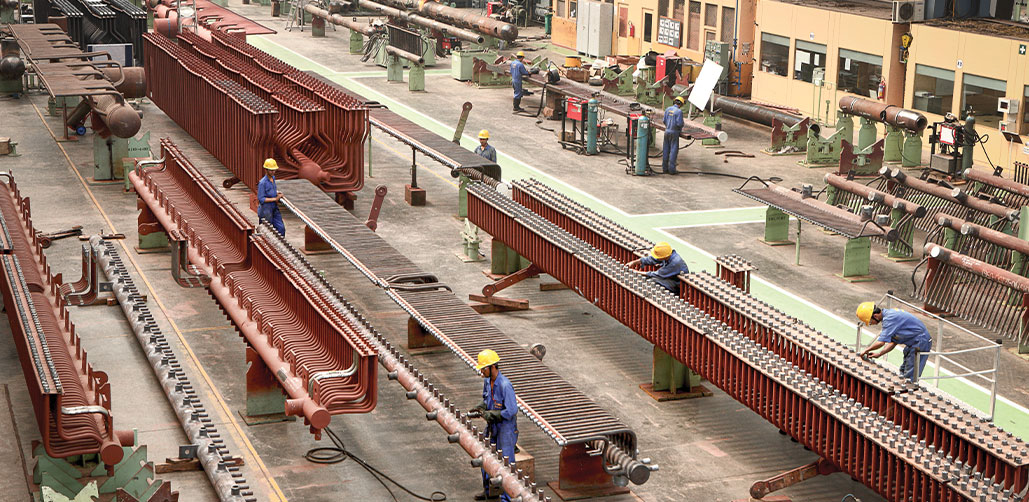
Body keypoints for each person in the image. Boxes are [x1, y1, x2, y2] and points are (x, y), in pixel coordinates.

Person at [471, 349, 518, 501]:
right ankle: (489, 492)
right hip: (493, 425)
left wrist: (494, 414)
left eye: (484, 369)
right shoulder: (487, 381)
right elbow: (487, 400)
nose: (482, 372)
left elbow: (511, 410)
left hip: (506, 428)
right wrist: (480, 407)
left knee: (506, 463)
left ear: (493, 367)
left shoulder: (505, 385)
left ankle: (507, 499)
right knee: (486, 455)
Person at [856, 302, 933, 382]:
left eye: (870, 322)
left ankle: (909, 387)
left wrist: (866, 350)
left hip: (921, 342)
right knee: (903, 370)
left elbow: (881, 343)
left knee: (911, 375)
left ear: (875, 316)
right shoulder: (889, 315)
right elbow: (893, 342)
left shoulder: (889, 319)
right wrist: (879, 354)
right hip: (914, 342)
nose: (871, 324)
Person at [257, 158, 285, 236]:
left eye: (274, 170)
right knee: (266, 231)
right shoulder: (262, 183)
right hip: (266, 210)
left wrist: (276, 193)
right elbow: (261, 199)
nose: (273, 172)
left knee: (281, 228)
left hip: (274, 207)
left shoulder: (273, 178)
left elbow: (272, 189)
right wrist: (275, 199)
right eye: (271, 170)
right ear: (266, 170)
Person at [661, 96, 685, 174]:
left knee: (665, 149)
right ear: (681, 104)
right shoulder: (679, 112)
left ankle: (664, 168)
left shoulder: (668, 109)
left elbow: (664, 121)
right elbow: (679, 123)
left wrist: (668, 126)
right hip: (674, 133)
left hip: (667, 131)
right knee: (673, 151)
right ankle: (672, 170)